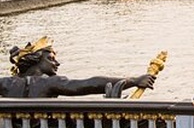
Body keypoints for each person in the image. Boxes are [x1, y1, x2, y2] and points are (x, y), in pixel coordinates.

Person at [0, 37, 154, 98]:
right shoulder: (47, 83)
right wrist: (134, 80)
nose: (57, 63)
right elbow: (89, 84)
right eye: (51, 59)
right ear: (36, 60)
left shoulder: (6, 83)